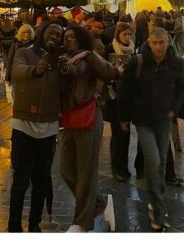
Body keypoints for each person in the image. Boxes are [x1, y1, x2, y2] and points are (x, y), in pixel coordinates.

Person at [120, 26, 184, 232]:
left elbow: (182, 87)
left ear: (168, 42)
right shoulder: (137, 62)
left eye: (162, 42)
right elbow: (125, 89)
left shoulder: (176, 63)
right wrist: (124, 117)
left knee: (162, 163)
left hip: (164, 119)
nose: (159, 47)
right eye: (155, 43)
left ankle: (154, 198)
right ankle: (158, 212)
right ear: (149, 43)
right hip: (143, 119)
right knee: (153, 160)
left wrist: (174, 110)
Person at [59, 23, 118, 232]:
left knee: (86, 171)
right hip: (69, 120)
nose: (68, 39)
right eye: (65, 36)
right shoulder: (62, 59)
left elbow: (109, 73)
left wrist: (88, 55)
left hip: (88, 116)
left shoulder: (90, 56)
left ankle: (81, 223)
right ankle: (100, 203)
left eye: (72, 36)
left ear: (82, 38)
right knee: (65, 168)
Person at [9, 21, 66, 232]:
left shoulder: (61, 59)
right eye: (52, 32)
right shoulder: (25, 52)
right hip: (24, 124)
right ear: (41, 33)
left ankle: (34, 225)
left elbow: (67, 87)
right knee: (21, 179)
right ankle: (14, 226)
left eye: (59, 34)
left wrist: (66, 70)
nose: (55, 36)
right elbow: (16, 71)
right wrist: (35, 69)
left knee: (41, 180)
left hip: (49, 126)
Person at [104, 22, 136, 182]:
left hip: (128, 96)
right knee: (118, 133)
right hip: (113, 97)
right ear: (118, 34)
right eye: (125, 34)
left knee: (126, 133)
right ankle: (117, 167)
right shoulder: (109, 49)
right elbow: (104, 72)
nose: (128, 37)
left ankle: (124, 167)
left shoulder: (132, 49)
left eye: (129, 34)